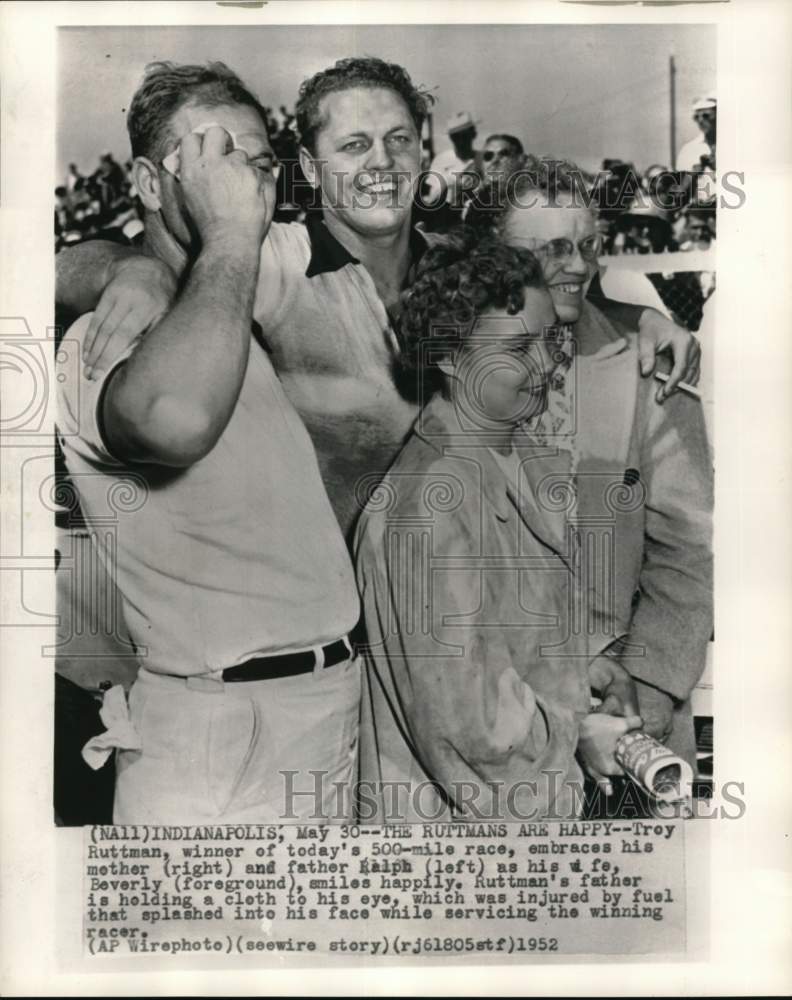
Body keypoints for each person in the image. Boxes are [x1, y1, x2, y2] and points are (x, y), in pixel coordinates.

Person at [57, 59, 701, 546]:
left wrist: (640, 320)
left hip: (452, 604)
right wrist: (129, 268)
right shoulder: (265, 255)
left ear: (424, 154)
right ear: (309, 169)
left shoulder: (464, 258)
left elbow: (559, 293)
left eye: (399, 140)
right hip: (321, 626)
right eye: (355, 145)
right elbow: (71, 265)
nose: (382, 162)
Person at [56, 61, 361, 825]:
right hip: (220, 733)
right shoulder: (105, 333)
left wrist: (636, 309)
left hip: (316, 709)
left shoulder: (229, 304)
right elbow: (175, 421)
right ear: (153, 184)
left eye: (259, 164)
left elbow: (415, 251)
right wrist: (209, 236)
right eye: (215, 159)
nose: (246, 184)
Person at [355, 233, 643, 823]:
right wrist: (576, 740)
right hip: (452, 848)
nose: (545, 366)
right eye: (517, 349)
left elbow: (509, 632)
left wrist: (586, 664)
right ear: (449, 357)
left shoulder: (520, 455)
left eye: (548, 341)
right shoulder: (428, 506)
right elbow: (475, 729)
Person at [468, 166, 713, 769]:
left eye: (586, 246)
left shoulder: (650, 365)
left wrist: (648, 691)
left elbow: (687, 550)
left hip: (629, 715)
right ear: (496, 256)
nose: (577, 266)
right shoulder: (447, 365)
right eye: (552, 249)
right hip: (494, 710)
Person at [424, 110, 483, 209]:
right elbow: (432, 198)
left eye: (464, 136)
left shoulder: (484, 159)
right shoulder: (441, 160)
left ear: (473, 134)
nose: (461, 141)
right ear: (451, 138)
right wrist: (452, 183)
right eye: (456, 137)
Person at [676, 96, 716, 174]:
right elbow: (680, 184)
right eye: (696, 117)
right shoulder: (688, 150)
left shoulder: (731, 146)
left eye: (706, 116)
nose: (700, 120)